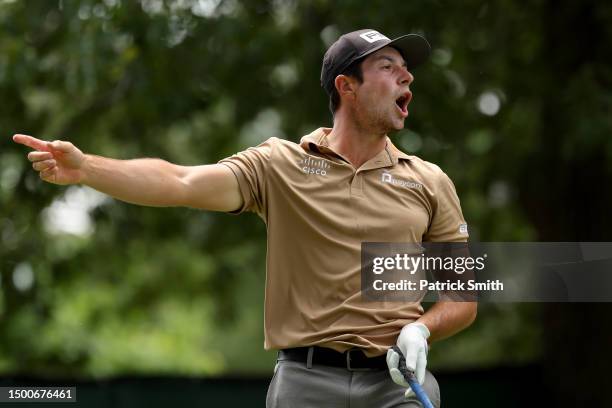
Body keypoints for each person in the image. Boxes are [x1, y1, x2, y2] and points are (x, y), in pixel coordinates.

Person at [14, 28, 477, 407]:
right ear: (347, 87)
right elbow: (180, 182)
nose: (407, 77)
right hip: (304, 386)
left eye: (407, 69)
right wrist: (87, 168)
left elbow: (463, 296)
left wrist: (421, 328)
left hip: (396, 388)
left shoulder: (430, 181)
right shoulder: (279, 165)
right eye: (388, 67)